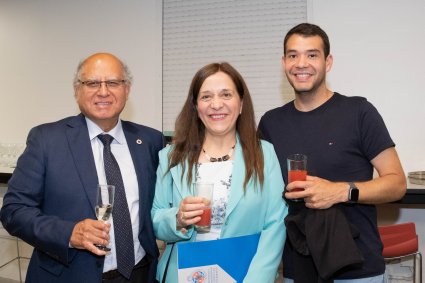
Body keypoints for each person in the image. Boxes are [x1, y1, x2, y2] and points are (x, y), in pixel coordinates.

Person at [258, 23, 406, 282]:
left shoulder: (359, 112)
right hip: (298, 266)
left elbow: (396, 183)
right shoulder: (271, 123)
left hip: (356, 268)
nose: (301, 63)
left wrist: (340, 191)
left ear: (328, 62)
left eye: (312, 55)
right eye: (293, 55)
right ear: (284, 63)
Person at [0, 53, 165, 283]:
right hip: (70, 276)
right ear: (77, 89)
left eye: (113, 83)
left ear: (127, 89)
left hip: (140, 273)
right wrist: (69, 233)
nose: (104, 91)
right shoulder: (46, 140)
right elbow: (14, 211)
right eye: (92, 83)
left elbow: (160, 205)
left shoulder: (150, 140)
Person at [151, 62, 288, 283]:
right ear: (195, 106)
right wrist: (178, 219)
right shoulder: (170, 157)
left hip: (245, 276)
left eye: (226, 94)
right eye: (206, 97)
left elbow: (276, 224)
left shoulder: (265, 154)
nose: (216, 104)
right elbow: (156, 218)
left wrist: (255, 279)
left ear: (241, 103)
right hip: (184, 275)